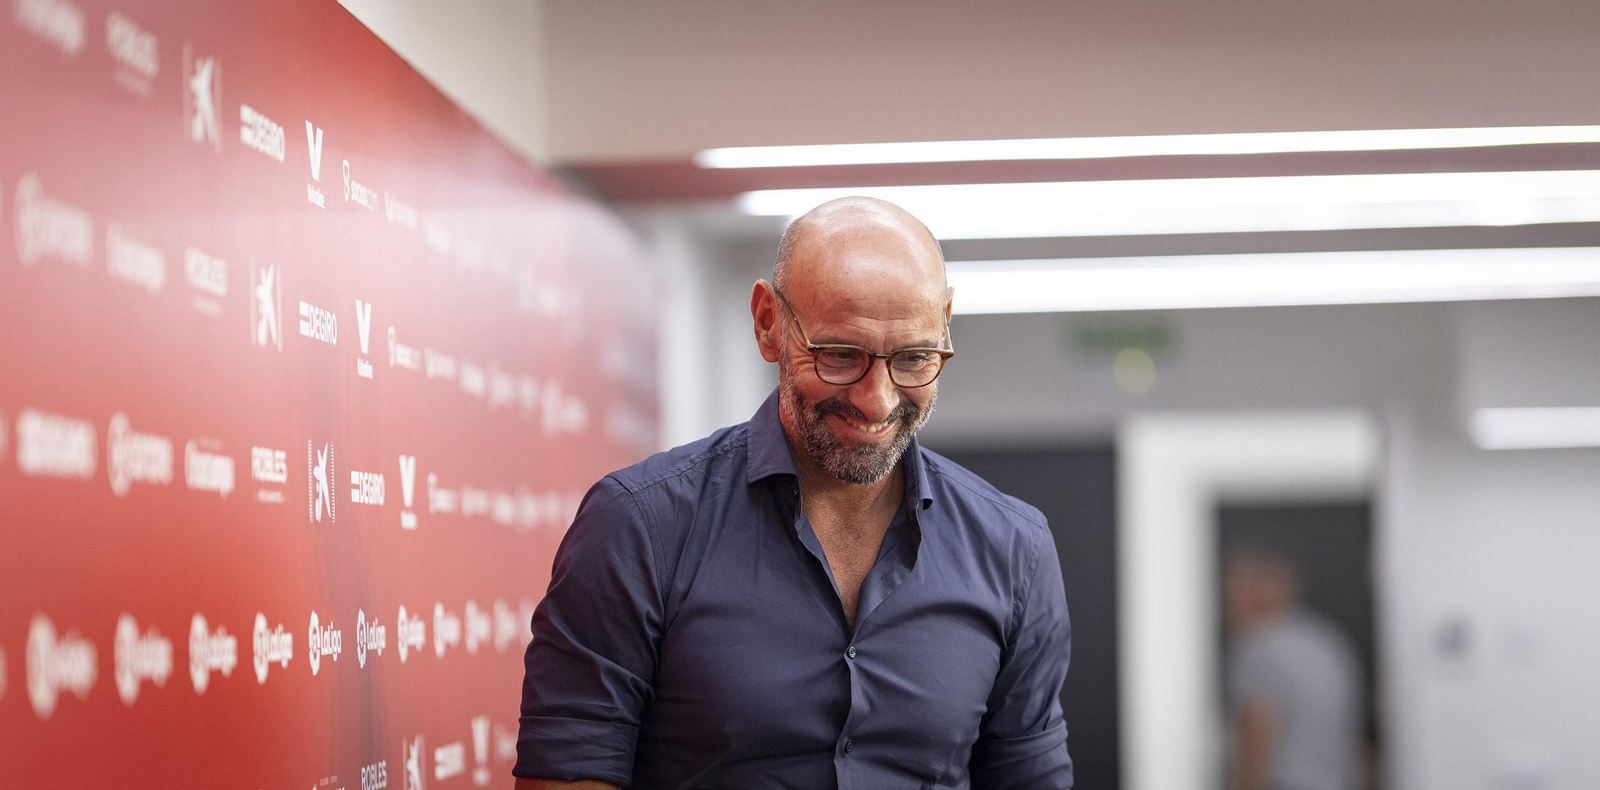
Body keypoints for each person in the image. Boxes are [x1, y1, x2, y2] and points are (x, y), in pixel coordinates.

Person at [512, 197, 1073, 790]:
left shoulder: (1013, 548)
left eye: (913, 359)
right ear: (767, 323)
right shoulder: (638, 526)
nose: (877, 400)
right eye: (839, 356)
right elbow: (568, 773)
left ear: (945, 326)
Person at [1225, 549, 1362, 790]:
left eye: (1235, 588)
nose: (1228, 601)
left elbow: (1258, 733)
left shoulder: (1259, 645)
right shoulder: (1327, 641)